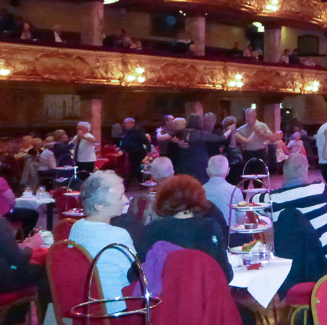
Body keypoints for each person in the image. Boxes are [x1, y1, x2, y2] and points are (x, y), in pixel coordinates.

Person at [257, 154, 327, 263]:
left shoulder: (270, 199)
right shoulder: (320, 189)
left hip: (300, 260)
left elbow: (251, 203)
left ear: (284, 172)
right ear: (305, 170)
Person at [139, 175, 232, 280]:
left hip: (165, 295)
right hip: (203, 293)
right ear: (199, 198)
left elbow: (136, 273)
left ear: (163, 199)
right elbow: (226, 274)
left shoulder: (154, 229)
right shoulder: (210, 227)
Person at [71, 171, 137, 313]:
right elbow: (137, 275)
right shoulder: (118, 235)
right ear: (99, 205)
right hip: (115, 308)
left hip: (84, 305)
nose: (126, 200)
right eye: (120, 197)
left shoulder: (76, 227)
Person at [0, 156, 38, 235]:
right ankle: (22, 237)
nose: (0, 163)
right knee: (33, 214)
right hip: (3, 213)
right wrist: (11, 206)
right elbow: (11, 199)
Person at [203, 155, 244, 222]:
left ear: (207, 171)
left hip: (207, 231)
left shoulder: (200, 191)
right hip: (230, 231)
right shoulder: (235, 191)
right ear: (228, 171)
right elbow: (241, 219)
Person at [119, 118, 150, 190]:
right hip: (131, 153)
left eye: (126, 123)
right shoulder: (127, 132)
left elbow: (146, 141)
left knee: (134, 169)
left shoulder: (137, 132)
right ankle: (144, 184)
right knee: (135, 170)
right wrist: (121, 148)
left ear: (131, 123)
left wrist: (148, 152)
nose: (124, 125)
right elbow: (126, 142)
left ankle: (126, 186)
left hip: (138, 153)